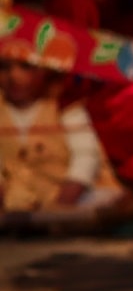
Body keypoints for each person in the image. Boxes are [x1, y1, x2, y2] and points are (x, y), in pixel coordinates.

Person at [0, 48, 124, 215]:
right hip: (16, 199)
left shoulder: (64, 106)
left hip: (69, 194)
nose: (14, 77)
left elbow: (85, 158)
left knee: (103, 200)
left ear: (46, 69)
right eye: (4, 68)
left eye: (26, 66)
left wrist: (61, 204)